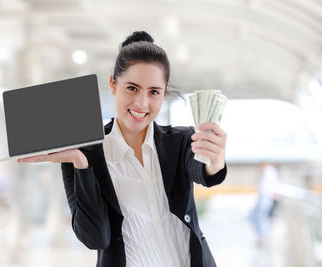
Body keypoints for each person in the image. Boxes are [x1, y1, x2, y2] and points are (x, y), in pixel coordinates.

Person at [18, 31, 228, 267]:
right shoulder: (86, 153)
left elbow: (204, 171)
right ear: (113, 84)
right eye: (132, 88)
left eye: (154, 92)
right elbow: (95, 237)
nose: (141, 103)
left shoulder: (180, 140)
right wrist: (80, 164)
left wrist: (215, 160)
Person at [250, 162, 279, 247]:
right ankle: (261, 236)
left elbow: (270, 186)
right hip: (264, 197)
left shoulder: (270, 171)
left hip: (266, 197)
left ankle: (262, 237)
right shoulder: (269, 172)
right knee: (256, 216)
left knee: (261, 216)